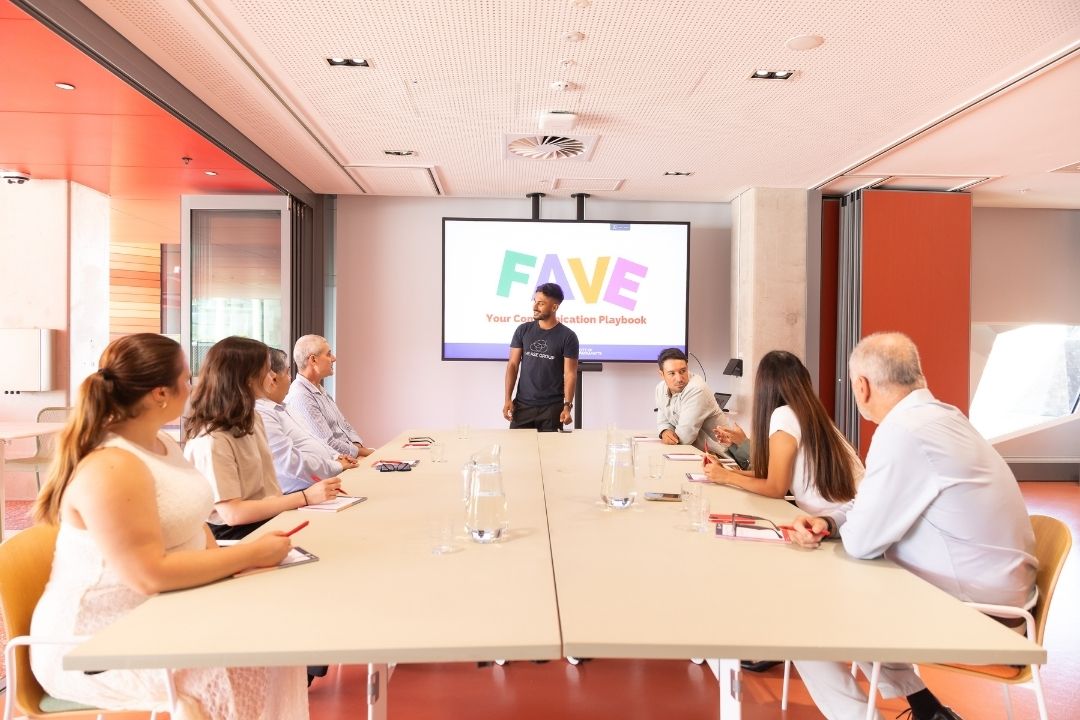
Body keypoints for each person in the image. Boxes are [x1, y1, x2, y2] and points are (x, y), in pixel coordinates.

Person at [29, 333, 308, 720]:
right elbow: (148, 575)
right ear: (161, 393)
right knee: (230, 670)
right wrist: (251, 554)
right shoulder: (112, 468)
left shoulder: (162, 444)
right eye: (186, 379)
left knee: (277, 644)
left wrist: (236, 572)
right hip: (92, 648)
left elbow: (196, 523)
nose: (192, 387)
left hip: (162, 617)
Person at [788, 333, 1038, 720]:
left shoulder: (902, 432)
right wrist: (828, 520)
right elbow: (869, 504)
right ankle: (927, 710)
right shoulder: (943, 417)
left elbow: (861, 543)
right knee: (864, 598)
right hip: (1008, 600)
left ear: (862, 386)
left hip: (983, 616)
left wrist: (841, 528)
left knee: (799, 618)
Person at [184, 336, 341, 540]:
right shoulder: (212, 439)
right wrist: (305, 497)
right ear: (248, 378)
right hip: (236, 535)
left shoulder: (252, 418)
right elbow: (233, 514)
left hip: (267, 518)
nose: (273, 376)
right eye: (267, 370)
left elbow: (269, 490)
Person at [703, 350, 861, 522]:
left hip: (840, 523)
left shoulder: (784, 415)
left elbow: (776, 487)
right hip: (853, 516)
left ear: (765, 387)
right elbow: (773, 476)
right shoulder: (812, 413)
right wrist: (725, 472)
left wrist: (727, 477)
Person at [256, 348, 358, 494]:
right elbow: (289, 462)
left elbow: (314, 439)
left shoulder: (285, 407)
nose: (290, 378)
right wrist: (336, 464)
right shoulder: (264, 413)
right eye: (287, 373)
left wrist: (336, 456)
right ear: (273, 379)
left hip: (326, 478)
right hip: (304, 490)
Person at [654, 347, 750, 468]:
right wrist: (665, 431)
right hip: (697, 455)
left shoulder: (697, 389)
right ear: (661, 374)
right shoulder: (660, 388)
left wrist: (670, 436)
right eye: (672, 373)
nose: (679, 378)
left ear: (687, 367)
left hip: (724, 460)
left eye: (683, 371)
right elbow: (663, 421)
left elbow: (684, 438)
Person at [503, 282, 579, 431]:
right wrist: (507, 399)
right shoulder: (523, 330)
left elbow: (570, 374)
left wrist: (567, 406)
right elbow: (512, 365)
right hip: (522, 407)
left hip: (552, 410)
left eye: (541, 303)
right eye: (535, 301)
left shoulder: (568, 337)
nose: (535, 307)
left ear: (554, 307)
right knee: (517, 452)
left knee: (551, 454)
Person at [286, 334, 373, 458]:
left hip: (350, 458)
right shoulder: (301, 396)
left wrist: (359, 446)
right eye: (328, 354)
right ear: (313, 360)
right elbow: (326, 443)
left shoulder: (319, 389)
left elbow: (344, 425)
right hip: (336, 465)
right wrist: (364, 453)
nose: (333, 358)